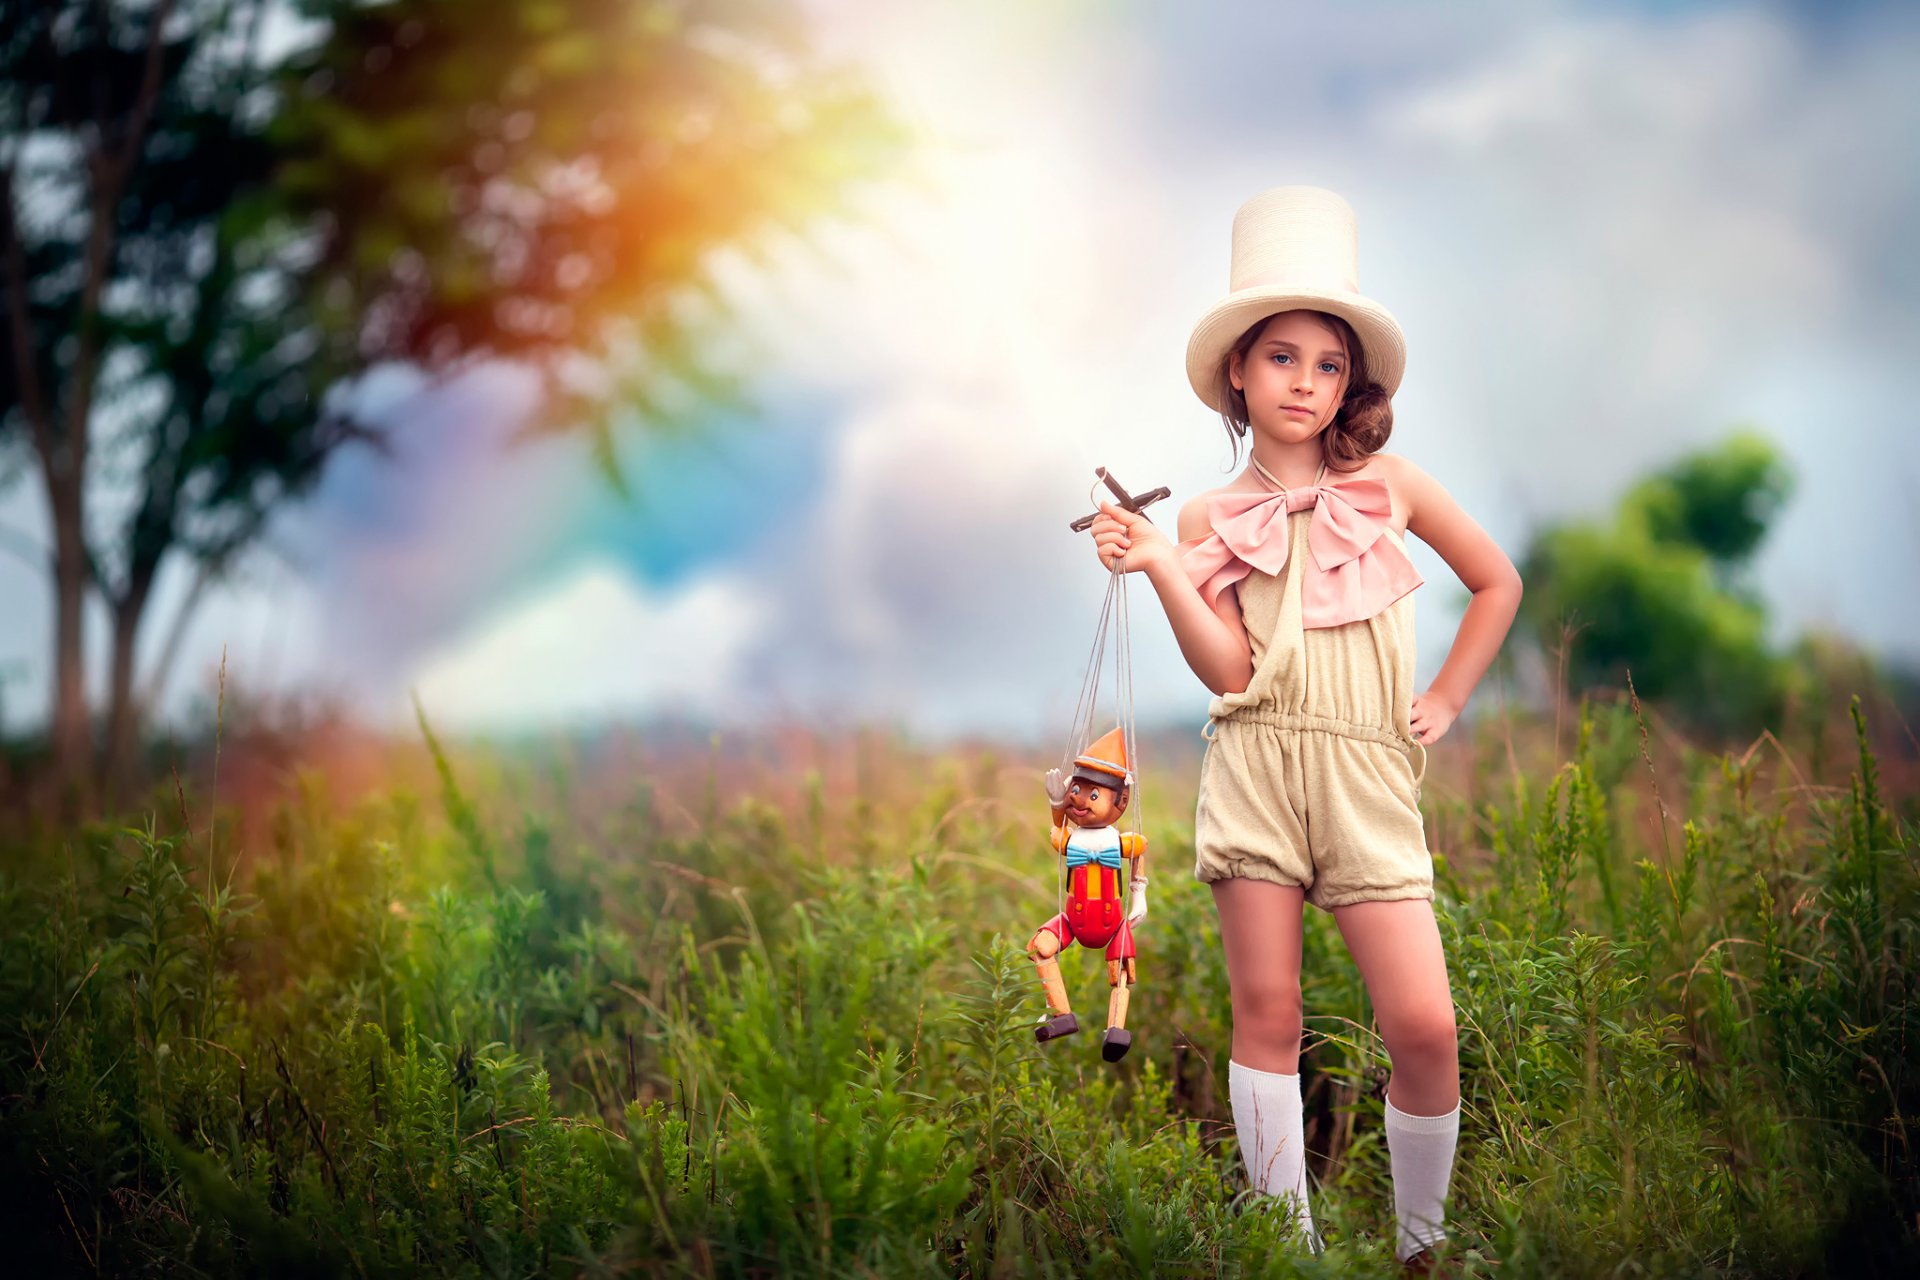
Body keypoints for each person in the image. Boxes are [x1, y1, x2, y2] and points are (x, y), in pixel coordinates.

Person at [1087, 186, 1522, 1268]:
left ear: (1349, 383)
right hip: (1256, 768)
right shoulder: (1207, 516)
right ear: (1238, 369)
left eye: (1328, 366)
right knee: (1269, 1012)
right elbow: (1230, 669)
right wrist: (1160, 565)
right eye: (1282, 357)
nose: (1305, 382)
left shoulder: (1392, 486)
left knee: (1424, 1026)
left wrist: (1446, 698)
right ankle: (1290, 1249)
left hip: (1367, 774)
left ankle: (1422, 1246)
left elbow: (1497, 581)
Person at [1030, 727, 1149, 1062]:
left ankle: (1116, 1030)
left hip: (1111, 922)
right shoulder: (1071, 839)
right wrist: (1056, 803)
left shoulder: (1120, 842)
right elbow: (1057, 831)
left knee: (1121, 972)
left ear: (1121, 802)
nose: (1079, 801)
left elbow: (1139, 855)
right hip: (1074, 920)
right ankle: (1061, 1015)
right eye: (1076, 790)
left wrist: (1139, 895)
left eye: (1093, 795)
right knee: (1040, 947)